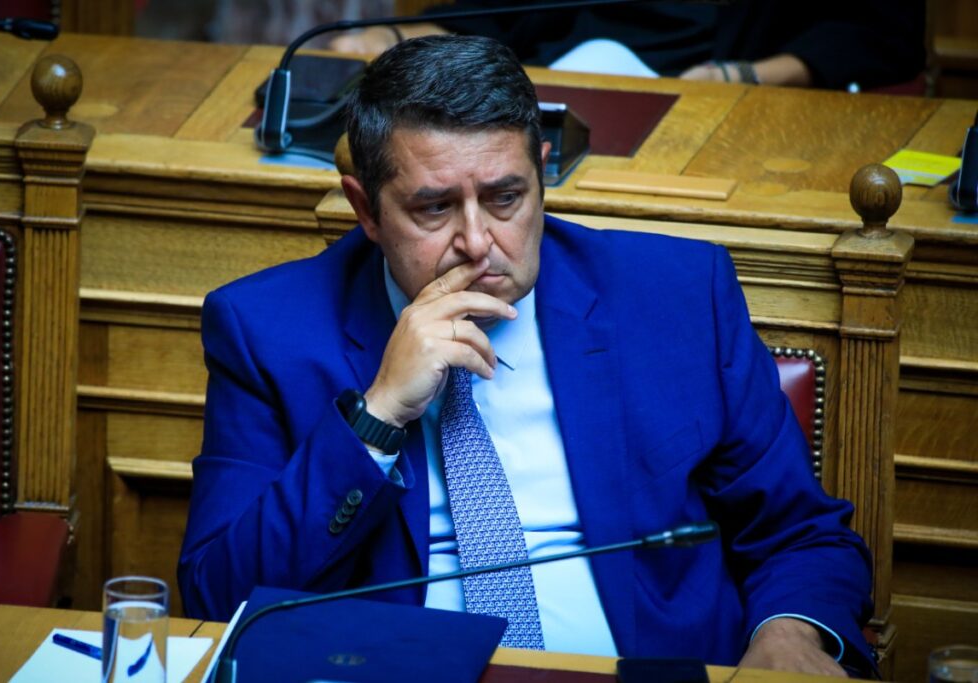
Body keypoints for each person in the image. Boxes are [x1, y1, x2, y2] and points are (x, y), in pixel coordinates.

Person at [178, 35, 874, 676]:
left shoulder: (677, 297)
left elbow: (799, 532)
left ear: (541, 173)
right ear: (366, 210)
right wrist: (378, 416)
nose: (478, 242)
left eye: (505, 198)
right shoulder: (266, 329)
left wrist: (790, 634)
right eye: (434, 209)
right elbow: (219, 596)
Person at [329, 0, 926, 90]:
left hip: (724, 104)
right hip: (555, 92)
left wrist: (743, 77)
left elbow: (881, 35)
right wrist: (394, 37)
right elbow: (497, 15)